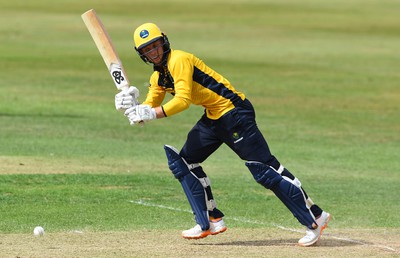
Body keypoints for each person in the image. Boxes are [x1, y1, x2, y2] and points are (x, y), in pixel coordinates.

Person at [114, 23, 331, 247]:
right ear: (142, 55)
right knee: (184, 163)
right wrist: (131, 105)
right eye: (147, 50)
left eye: (155, 45)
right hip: (214, 116)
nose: (154, 52)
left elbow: (182, 101)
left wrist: (150, 113)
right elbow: (148, 108)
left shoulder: (179, 60)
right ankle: (211, 219)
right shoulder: (158, 77)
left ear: (164, 42)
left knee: (265, 169)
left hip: (234, 112)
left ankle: (315, 217)